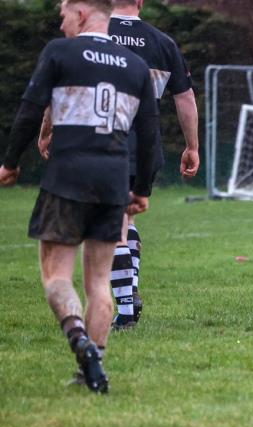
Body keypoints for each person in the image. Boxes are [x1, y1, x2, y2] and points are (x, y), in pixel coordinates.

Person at [0, 0, 158, 392]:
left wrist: (9, 163)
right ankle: (95, 368)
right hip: (113, 181)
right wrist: (142, 190)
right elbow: (152, 135)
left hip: (67, 177)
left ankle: (79, 340)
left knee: (55, 276)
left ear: (83, 14)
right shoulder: (136, 66)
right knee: (100, 283)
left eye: (65, 15)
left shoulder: (59, 53)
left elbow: (28, 109)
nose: (61, 23)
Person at [39, 0, 199, 330]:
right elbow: (185, 97)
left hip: (104, 143)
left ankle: (126, 307)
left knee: (114, 225)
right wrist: (192, 145)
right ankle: (130, 291)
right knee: (127, 216)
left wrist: (48, 128)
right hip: (146, 144)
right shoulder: (162, 42)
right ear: (140, 2)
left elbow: (65, 86)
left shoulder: (95, 34)